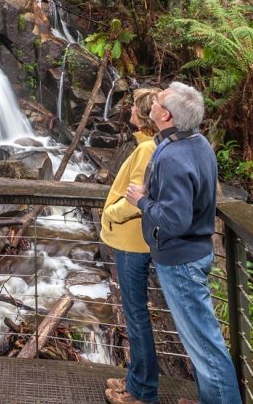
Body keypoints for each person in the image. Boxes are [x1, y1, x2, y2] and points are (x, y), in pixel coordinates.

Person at [126, 82, 241, 404]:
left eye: (159, 99)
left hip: (181, 260)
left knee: (204, 346)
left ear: (165, 114)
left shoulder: (174, 157)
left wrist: (142, 202)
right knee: (201, 341)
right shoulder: (197, 143)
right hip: (195, 252)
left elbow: (175, 220)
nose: (154, 99)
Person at [102, 87, 163, 404]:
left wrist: (111, 214)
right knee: (136, 314)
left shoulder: (147, 150)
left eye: (132, 110)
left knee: (136, 315)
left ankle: (142, 391)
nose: (126, 113)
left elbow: (137, 197)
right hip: (138, 238)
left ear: (141, 116)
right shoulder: (151, 146)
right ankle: (135, 381)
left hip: (132, 240)